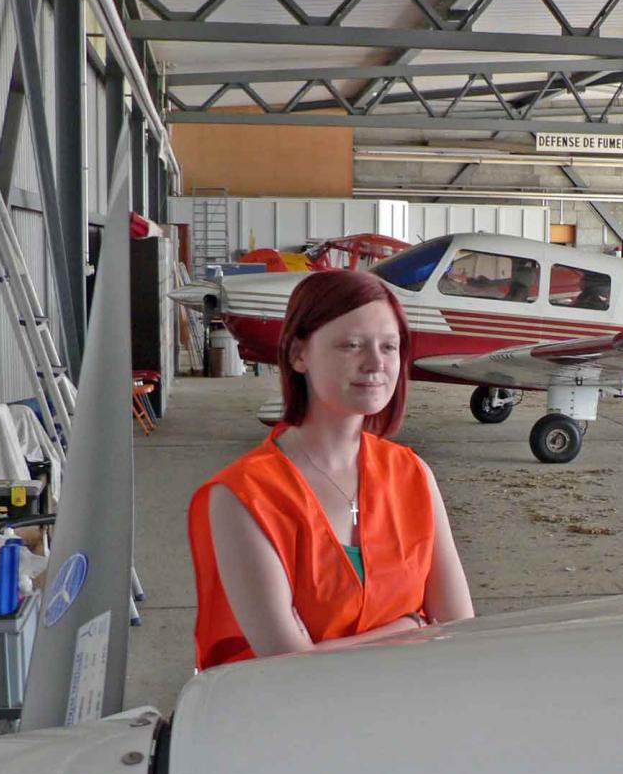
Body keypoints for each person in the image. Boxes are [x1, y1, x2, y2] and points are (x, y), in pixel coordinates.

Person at [189, 269, 474, 669]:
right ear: (298, 354)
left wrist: (328, 648)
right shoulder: (241, 496)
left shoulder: (412, 474)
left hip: (411, 711)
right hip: (297, 720)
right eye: (351, 345)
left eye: (389, 347)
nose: (375, 363)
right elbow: (291, 665)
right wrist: (411, 625)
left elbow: (461, 630)